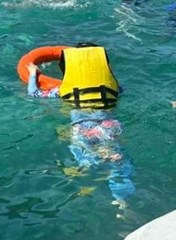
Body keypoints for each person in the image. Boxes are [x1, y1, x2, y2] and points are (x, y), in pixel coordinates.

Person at [25, 44, 134, 207]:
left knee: (85, 158)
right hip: (109, 125)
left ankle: (92, 165)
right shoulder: (114, 87)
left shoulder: (63, 90)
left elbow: (34, 93)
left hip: (82, 128)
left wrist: (33, 73)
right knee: (117, 158)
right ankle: (121, 198)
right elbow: (121, 91)